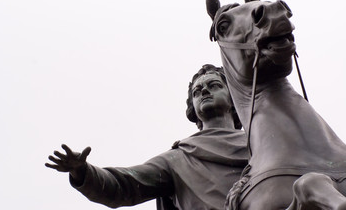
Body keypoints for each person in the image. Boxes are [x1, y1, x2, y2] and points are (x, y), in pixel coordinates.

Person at [45, 64, 249, 209]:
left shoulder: (262, 144)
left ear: (233, 99)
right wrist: (84, 172)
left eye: (214, 86)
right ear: (193, 109)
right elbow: (124, 185)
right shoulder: (179, 159)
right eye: (197, 91)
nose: (204, 91)